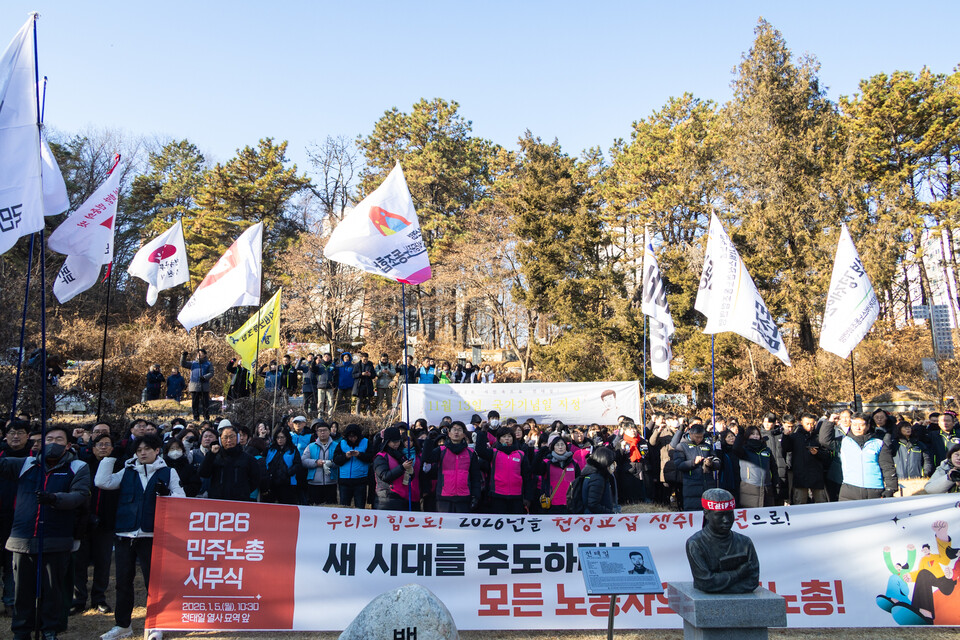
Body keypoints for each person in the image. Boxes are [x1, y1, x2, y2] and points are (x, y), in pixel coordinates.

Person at [0, 425, 91, 640]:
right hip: (22, 539)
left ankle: (49, 629)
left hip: (56, 538)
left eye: (59, 440)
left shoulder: (78, 466)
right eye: (48, 439)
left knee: (52, 590)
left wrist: (55, 499)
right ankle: (21, 631)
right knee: (22, 591)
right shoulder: (26, 464)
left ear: (68, 445)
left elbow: (79, 495)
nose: (53, 443)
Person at [95, 434, 185, 640]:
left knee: (153, 584)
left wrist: (166, 495)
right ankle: (122, 625)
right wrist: (111, 458)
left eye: (147, 449)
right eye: (138, 450)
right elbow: (102, 481)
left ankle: (156, 626)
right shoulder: (127, 471)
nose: (142, 453)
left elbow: (181, 499)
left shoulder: (168, 472)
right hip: (125, 533)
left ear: (157, 451)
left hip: (153, 535)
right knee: (122, 583)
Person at [72, 432, 121, 616]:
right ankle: (79, 599)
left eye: (107, 444)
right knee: (80, 563)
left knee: (103, 562)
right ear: (92, 448)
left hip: (107, 522)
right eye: (99, 444)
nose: (103, 447)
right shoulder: (82, 466)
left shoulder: (118, 466)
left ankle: (99, 598)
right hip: (83, 522)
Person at [685, 488, 760, 594]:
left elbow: (752, 581)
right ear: (706, 514)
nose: (726, 520)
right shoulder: (695, 544)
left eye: (729, 514)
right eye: (719, 515)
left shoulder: (745, 543)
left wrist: (719, 585)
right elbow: (705, 582)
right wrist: (738, 574)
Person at [819, 412, 897, 501]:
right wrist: (830, 422)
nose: (857, 428)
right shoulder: (844, 442)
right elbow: (824, 440)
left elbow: (888, 468)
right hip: (849, 490)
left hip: (875, 490)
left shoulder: (878, 444)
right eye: (854, 424)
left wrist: (890, 488)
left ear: (867, 426)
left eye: (861, 425)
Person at [0, 420, 30, 615]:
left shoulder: (34, 459)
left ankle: (11, 601)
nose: (15, 436)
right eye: (12, 432)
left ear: (28, 436)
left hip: (20, 519)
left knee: (13, 563)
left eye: (20, 432)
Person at [421, 421, 481, 513]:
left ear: (464, 434)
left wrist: (475, 495)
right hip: (444, 498)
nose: (456, 432)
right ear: (449, 433)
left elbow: (476, 477)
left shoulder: (471, 453)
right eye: (454, 429)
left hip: (464, 498)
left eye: (459, 430)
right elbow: (426, 458)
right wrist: (429, 440)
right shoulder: (441, 450)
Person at [475, 426, 533, 514]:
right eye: (504, 436)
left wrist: (528, 497)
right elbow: (480, 450)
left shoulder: (521, 455)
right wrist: (482, 433)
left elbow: (527, 477)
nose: (507, 439)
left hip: (516, 497)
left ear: (513, 439)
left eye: (509, 436)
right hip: (497, 496)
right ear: (499, 439)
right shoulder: (494, 453)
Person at [198, 426, 261, 501]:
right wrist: (211, 455)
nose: (228, 440)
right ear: (220, 440)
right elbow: (203, 473)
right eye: (225, 437)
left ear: (237, 438)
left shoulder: (248, 458)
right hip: (217, 501)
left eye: (232, 437)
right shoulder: (214, 456)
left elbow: (255, 479)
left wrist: (243, 491)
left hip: (240, 501)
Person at [780, 413, 830, 504]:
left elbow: (826, 455)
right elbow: (786, 448)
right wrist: (785, 436)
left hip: (816, 475)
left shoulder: (818, 437)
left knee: (821, 502)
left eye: (812, 424)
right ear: (801, 423)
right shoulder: (795, 436)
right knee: (799, 502)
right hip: (800, 475)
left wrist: (817, 453)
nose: (810, 426)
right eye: (807, 424)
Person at [671, 423, 719, 511]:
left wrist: (711, 463)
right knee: (693, 512)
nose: (699, 439)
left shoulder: (707, 446)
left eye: (701, 437)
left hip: (708, 484)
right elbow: (679, 465)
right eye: (697, 437)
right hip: (691, 485)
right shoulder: (681, 446)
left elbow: (717, 462)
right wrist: (693, 462)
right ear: (690, 434)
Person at [373, 426, 422, 510]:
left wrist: (410, 471)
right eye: (393, 442)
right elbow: (385, 476)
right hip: (386, 498)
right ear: (387, 441)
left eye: (398, 441)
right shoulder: (381, 457)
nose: (396, 444)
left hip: (402, 498)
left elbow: (411, 477)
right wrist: (402, 467)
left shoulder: (400, 456)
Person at [732, 426, 779, 508]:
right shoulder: (744, 449)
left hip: (766, 487)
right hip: (749, 487)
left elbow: (773, 468)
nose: (755, 436)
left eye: (757, 434)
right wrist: (740, 434)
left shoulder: (766, 450)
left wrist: (776, 484)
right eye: (752, 434)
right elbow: (735, 449)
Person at [535, 435, 580, 514]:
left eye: (562, 444)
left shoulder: (574, 463)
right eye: (557, 445)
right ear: (553, 447)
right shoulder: (547, 463)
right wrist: (540, 452)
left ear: (566, 447)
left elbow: (579, 482)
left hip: (570, 505)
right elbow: (535, 469)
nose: (560, 447)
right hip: (552, 505)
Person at [333, 424, 373, 508]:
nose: (353, 439)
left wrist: (359, 455)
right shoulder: (342, 443)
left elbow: (371, 457)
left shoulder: (366, 442)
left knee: (360, 506)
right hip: (344, 480)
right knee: (344, 507)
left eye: (355, 437)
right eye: (350, 437)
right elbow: (336, 459)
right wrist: (345, 456)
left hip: (360, 480)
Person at [302, 421, 338, 505]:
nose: (322, 432)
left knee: (330, 508)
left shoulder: (336, 446)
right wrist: (315, 462)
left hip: (331, 482)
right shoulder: (310, 446)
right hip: (314, 483)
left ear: (329, 431)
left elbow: (339, 461)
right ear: (317, 432)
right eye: (320, 430)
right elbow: (303, 461)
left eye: (325, 430)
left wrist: (330, 463)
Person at [265, 427, 303, 505]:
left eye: (282, 437)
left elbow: (298, 465)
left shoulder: (293, 450)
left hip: (288, 484)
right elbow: (267, 463)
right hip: (272, 484)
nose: (280, 440)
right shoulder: (271, 449)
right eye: (278, 437)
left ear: (287, 438)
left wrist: (288, 473)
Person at [579, 446, 619, 514]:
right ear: (605, 461)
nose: (614, 465)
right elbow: (593, 504)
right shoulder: (597, 478)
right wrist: (610, 513)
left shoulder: (592, 473)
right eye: (611, 462)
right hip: (596, 519)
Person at [180, 349, 214, 421]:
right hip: (194, 386)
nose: (199, 355)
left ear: (205, 355)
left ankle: (206, 417)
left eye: (201, 354)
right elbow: (183, 364)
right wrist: (183, 355)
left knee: (205, 403)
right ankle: (196, 417)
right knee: (195, 403)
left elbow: (211, 373)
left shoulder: (208, 364)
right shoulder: (193, 363)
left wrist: (205, 377)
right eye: (198, 354)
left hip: (204, 386)